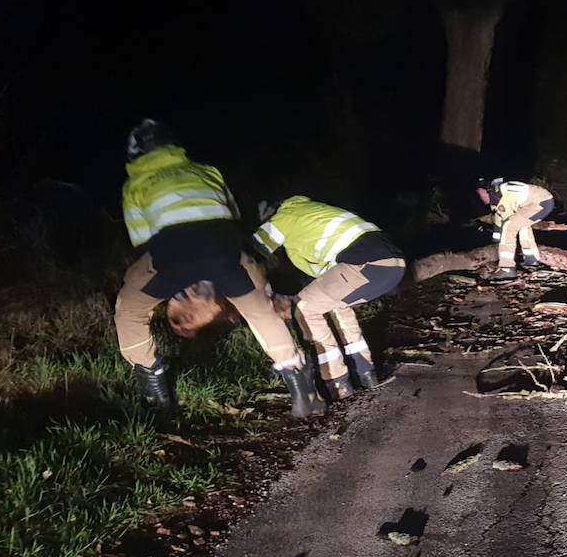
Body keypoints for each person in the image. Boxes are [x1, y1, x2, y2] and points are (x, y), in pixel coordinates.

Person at [114, 119, 324, 417]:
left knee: (129, 311)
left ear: (135, 153)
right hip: (226, 248)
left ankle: (155, 393)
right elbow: (232, 215)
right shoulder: (207, 171)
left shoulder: (134, 185)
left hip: (171, 251)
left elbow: (141, 240)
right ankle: (303, 391)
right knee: (259, 311)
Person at [254, 195, 405, 399]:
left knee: (304, 309)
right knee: (336, 305)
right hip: (393, 264)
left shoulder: (284, 217)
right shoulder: (312, 212)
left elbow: (252, 252)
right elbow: (322, 278)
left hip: (364, 263)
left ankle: (337, 383)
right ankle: (365, 373)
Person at [476, 178, 554, 281]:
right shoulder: (496, 198)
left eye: (481, 192)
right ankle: (531, 260)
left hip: (540, 202)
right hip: (541, 201)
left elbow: (505, 220)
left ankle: (507, 268)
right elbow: (499, 218)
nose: (480, 197)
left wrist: (501, 239)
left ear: (488, 190)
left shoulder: (502, 194)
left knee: (509, 226)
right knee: (521, 225)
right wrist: (496, 238)